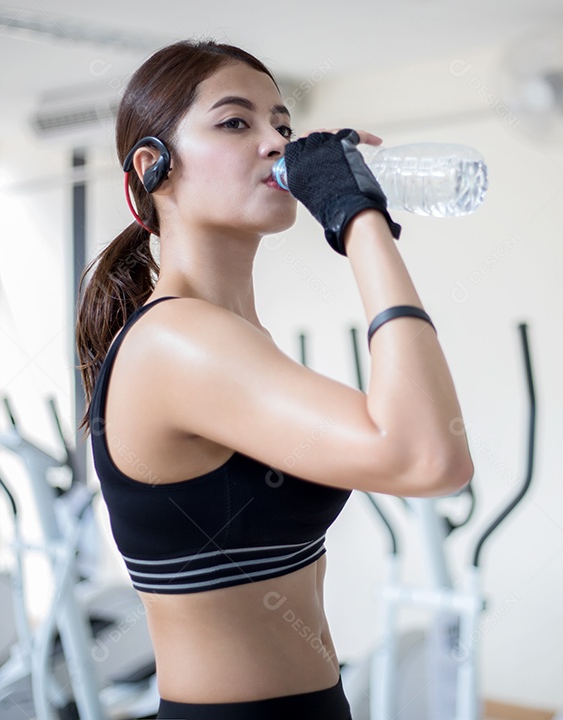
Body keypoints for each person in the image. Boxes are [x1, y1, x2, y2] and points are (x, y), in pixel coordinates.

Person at [74, 40, 473, 720]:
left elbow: (419, 446)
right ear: (154, 167)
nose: (275, 144)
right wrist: (358, 219)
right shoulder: (176, 341)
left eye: (282, 126)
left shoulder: (226, 339)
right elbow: (431, 456)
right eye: (237, 123)